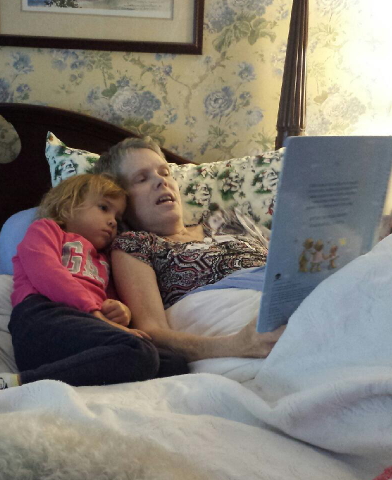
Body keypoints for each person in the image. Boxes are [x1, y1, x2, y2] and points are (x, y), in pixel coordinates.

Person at [0, 173, 188, 392]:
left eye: (117, 219)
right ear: (68, 205)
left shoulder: (105, 260)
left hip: (85, 335)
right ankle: (16, 385)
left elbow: (110, 298)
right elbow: (47, 273)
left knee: (174, 363)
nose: (112, 222)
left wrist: (120, 312)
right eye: (104, 208)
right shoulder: (46, 229)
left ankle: (69, 379)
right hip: (42, 320)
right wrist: (93, 312)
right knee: (139, 350)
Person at [93, 137, 285, 362]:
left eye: (165, 173)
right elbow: (152, 333)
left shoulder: (227, 219)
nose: (161, 181)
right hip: (239, 335)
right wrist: (238, 345)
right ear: (122, 200)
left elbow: (290, 261)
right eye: (142, 179)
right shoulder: (135, 244)